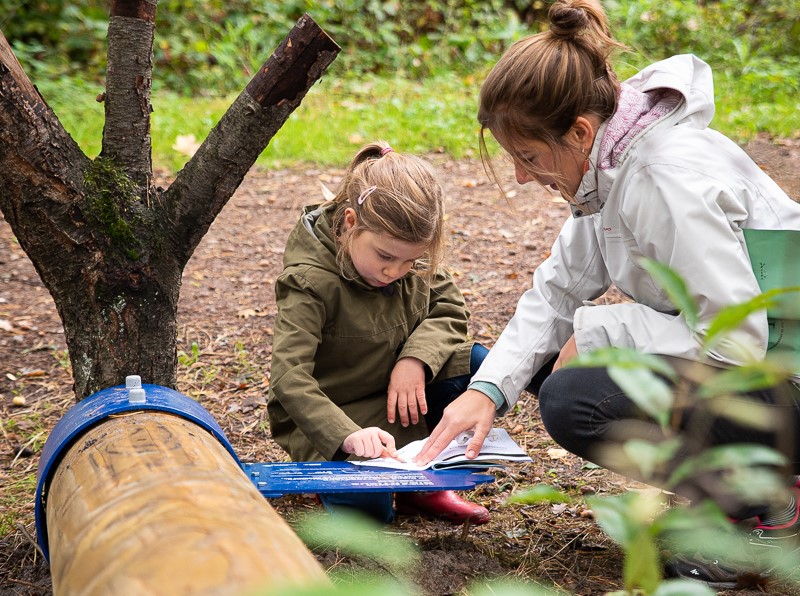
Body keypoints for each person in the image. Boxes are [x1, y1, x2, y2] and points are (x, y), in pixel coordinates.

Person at [413, 0, 800, 587]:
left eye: (528, 156)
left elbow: (739, 338)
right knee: (551, 367)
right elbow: (559, 287)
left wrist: (602, 333)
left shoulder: (663, 180)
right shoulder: (610, 166)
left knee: (576, 400)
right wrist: (488, 390)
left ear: (580, 132)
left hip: (783, 383)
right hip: (764, 378)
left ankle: (767, 507)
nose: (521, 175)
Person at [267, 141, 490, 526]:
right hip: (338, 419)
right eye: (386, 257)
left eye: (411, 261)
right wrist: (347, 435)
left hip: (400, 395)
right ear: (351, 222)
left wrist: (414, 360)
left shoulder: (405, 252)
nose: (395, 272)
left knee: (478, 366)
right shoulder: (309, 281)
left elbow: (450, 308)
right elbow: (289, 378)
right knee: (371, 520)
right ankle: (350, 484)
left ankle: (425, 486)